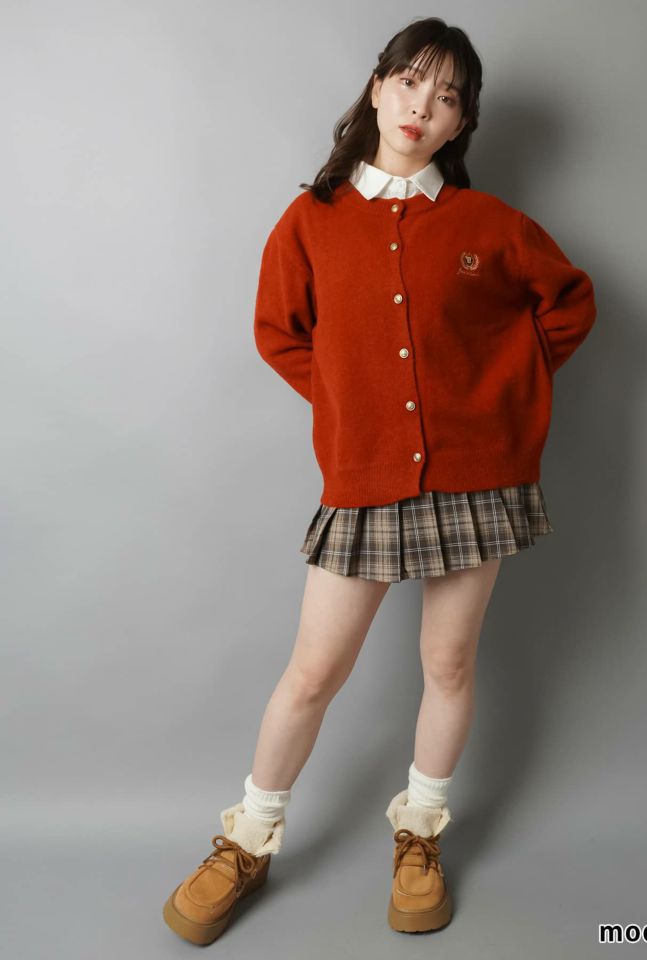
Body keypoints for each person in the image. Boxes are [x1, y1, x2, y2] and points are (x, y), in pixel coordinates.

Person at [163, 15, 596, 944]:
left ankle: (420, 835)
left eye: (447, 97)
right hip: (363, 479)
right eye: (409, 82)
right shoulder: (311, 220)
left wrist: (495, 393)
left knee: (449, 664)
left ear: (461, 124)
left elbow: (567, 303)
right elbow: (280, 332)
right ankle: (247, 840)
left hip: (477, 480)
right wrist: (352, 404)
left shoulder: (488, 225)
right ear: (376, 88)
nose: (421, 106)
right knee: (313, 673)